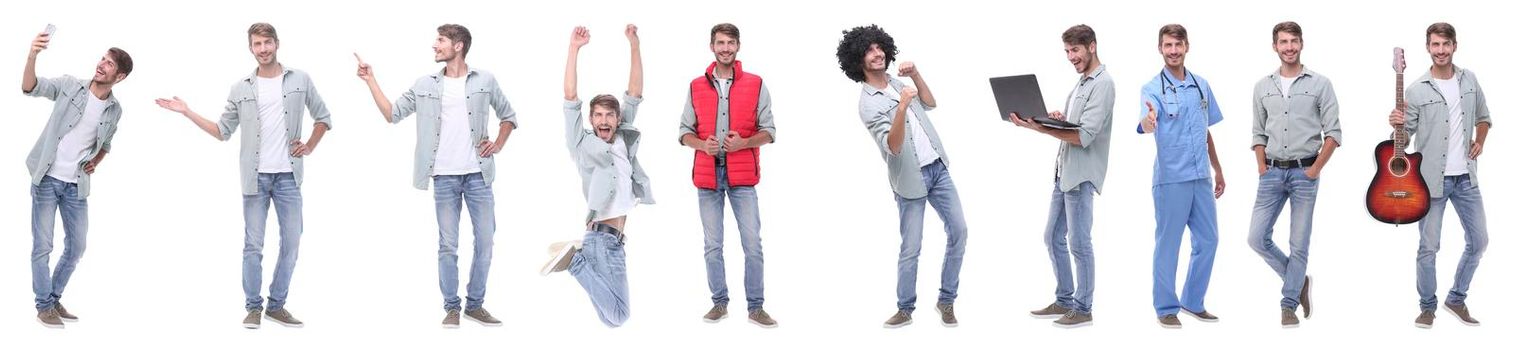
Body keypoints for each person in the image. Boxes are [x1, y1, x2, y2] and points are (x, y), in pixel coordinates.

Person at [155, 23, 333, 329]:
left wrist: (310, 146)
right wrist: (188, 112)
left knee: (292, 242)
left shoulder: (300, 79)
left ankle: (276, 306)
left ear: (277, 43)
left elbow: (324, 117)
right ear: (250, 48)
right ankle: (253, 307)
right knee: (253, 245)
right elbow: (223, 131)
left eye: (267, 42)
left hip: (289, 177)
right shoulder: (241, 88)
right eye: (256, 44)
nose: (262, 49)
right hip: (255, 180)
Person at [355, 24, 517, 328]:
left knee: (485, 242)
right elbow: (392, 114)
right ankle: (452, 307)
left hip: (478, 176)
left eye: (440, 41)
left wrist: (498, 143)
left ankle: (476, 305)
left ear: (458, 46)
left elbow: (509, 116)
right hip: (443, 177)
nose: (434, 45)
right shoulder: (424, 84)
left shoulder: (485, 80)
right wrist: (371, 81)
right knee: (448, 245)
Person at [837, 24, 969, 329]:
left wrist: (916, 76)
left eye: (878, 47)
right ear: (858, 60)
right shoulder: (868, 103)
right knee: (911, 247)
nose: (877, 53)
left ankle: (946, 300)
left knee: (960, 231)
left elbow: (931, 103)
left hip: (938, 169)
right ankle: (905, 308)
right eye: (869, 50)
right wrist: (902, 107)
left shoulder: (897, 82)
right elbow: (893, 147)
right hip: (910, 180)